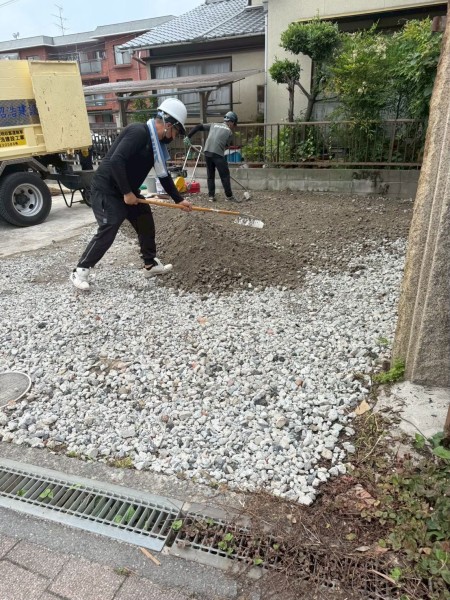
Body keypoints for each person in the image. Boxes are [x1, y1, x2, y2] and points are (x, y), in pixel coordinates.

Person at [70, 98, 192, 291]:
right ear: (169, 125)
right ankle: (80, 270)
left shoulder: (156, 145)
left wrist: (180, 200)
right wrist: (127, 193)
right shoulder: (139, 132)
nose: (174, 136)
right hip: (107, 188)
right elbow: (116, 160)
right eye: (177, 132)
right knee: (111, 224)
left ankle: (150, 264)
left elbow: (164, 176)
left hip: (126, 189)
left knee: (144, 219)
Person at [185, 111, 239, 203]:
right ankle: (229, 196)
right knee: (225, 175)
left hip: (207, 152)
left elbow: (198, 127)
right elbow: (226, 146)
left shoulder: (214, 125)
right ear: (232, 122)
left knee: (210, 175)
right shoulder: (229, 132)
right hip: (218, 154)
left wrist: (188, 136)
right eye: (234, 124)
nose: (233, 126)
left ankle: (211, 196)